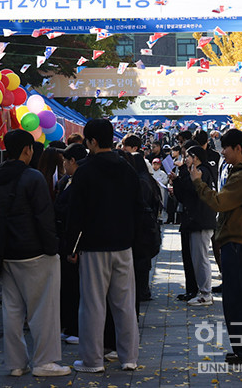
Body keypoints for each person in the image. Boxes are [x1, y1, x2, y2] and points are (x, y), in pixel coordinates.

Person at [0, 130, 69, 378]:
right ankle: (44, 362)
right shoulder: (32, 177)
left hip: (5, 254)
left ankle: (16, 363)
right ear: (28, 149)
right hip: (34, 253)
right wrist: (52, 247)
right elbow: (44, 217)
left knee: (12, 310)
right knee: (44, 309)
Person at [66, 118, 140, 373]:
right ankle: (129, 357)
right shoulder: (127, 168)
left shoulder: (85, 171)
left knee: (93, 305)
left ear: (93, 141)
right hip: (123, 245)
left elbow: (75, 214)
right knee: (124, 305)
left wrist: (71, 247)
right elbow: (138, 208)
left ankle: (92, 360)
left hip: (94, 246)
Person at [190, 128, 242, 365]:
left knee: (240, 300)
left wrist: (199, 184)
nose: (222, 152)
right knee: (237, 300)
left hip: (239, 243)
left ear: (238, 149)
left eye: (226, 148)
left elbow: (219, 202)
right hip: (236, 242)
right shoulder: (241, 172)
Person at [173, 145, 217, 306]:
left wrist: (183, 175)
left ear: (196, 157)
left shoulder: (201, 171)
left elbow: (193, 191)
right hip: (194, 220)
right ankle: (203, 292)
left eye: (188, 157)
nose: (185, 160)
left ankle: (206, 293)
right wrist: (177, 181)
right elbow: (184, 195)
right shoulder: (194, 171)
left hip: (201, 220)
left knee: (201, 258)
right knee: (196, 258)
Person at [53, 142, 88, 346]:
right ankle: (68, 325)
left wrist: (74, 247)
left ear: (73, 161)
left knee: (74, 287)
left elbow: (77, 215)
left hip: (74, 242)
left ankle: (75, 327)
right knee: (66, 285)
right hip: (64, 240)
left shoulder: (80, 182)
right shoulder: (67, 180)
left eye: (65, 161)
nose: (64, 165)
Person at [129, 151, 162, 310]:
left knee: (141, 262)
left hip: (142, 228)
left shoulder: (142, 182)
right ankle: (144, 290)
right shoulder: (148, 179)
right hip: (148, 227)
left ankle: (143, 291)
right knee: (144, 261)